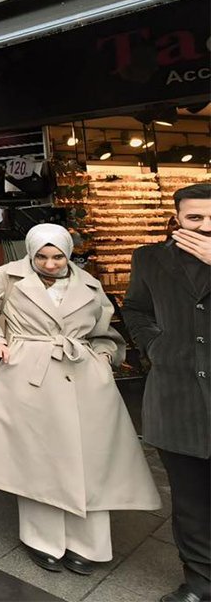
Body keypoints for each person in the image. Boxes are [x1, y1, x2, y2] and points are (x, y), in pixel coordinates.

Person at [0, 223, 159, 574]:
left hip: (85, 378)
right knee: (37, 459)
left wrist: (102, 357)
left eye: (57, 256)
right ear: (30, 252)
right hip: (28, 376)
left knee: (93, 460)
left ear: (69, 253)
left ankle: (91, 544)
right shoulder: (7, 276)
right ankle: (42, 539)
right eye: (42, 256)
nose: (50, 264)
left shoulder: (89, 283)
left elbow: (106, 332)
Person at [122, 183, 211, 602]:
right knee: (190, 502)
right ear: (177, 218)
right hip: (176, 397)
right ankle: (200, 583)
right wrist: (154, 346)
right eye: (195, 218)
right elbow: (135, 308)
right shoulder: (149, 258)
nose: (205, 227)